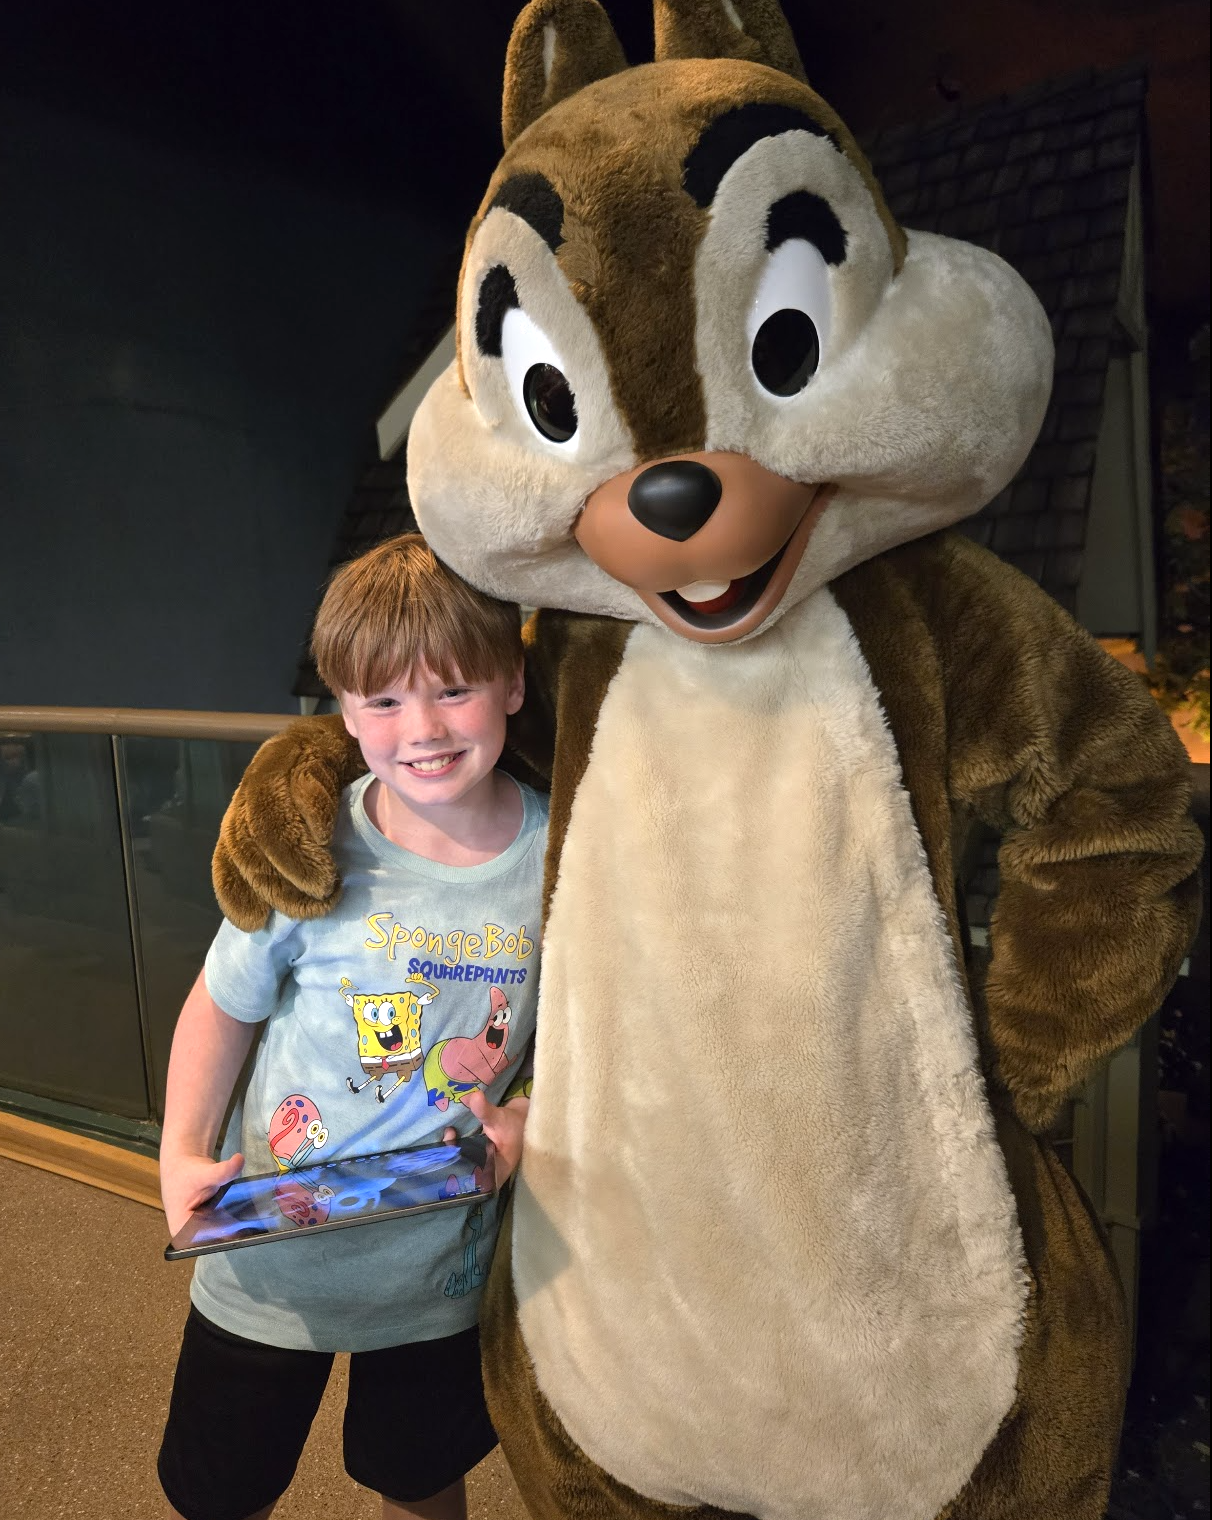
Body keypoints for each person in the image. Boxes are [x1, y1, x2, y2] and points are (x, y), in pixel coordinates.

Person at [156, 534, 546, 1520]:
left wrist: (532, 1117)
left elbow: (601, 1033)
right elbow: (222, 1003)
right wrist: (179, 1149)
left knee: (420, 1477)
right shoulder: (307, 842)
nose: (423, 728)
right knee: (219, 1489)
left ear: (512, 682)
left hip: (437, 1275)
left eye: (453, 689)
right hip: (264, 1256)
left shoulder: (561, 858)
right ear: (343, 707)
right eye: (383, 701)